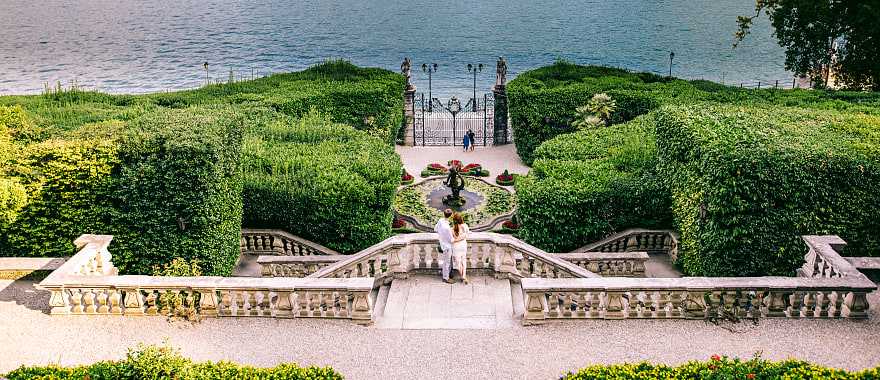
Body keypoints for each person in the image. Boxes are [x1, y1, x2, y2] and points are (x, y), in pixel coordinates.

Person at [434, 209, 454, 283]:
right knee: (447, 262)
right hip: (447, 246)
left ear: (444, 214)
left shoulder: (440, 220)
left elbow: (435, 229)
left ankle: (448, 274)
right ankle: (446, 278)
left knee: (446, 261)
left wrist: (441, 234)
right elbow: (451, 240)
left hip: (442, 243)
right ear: (451, 215)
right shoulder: (447, 228)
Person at [450, 212, 470, 284]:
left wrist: (455, 240)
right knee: (463, 261)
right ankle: (464, 276)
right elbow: (466, 235)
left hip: (456, 247)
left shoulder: (452, 229)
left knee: (458, 262)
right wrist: (460, 238)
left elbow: (452, 239)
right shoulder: (465, 226)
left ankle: (463, 277)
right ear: (461, 219)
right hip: (463, 246)